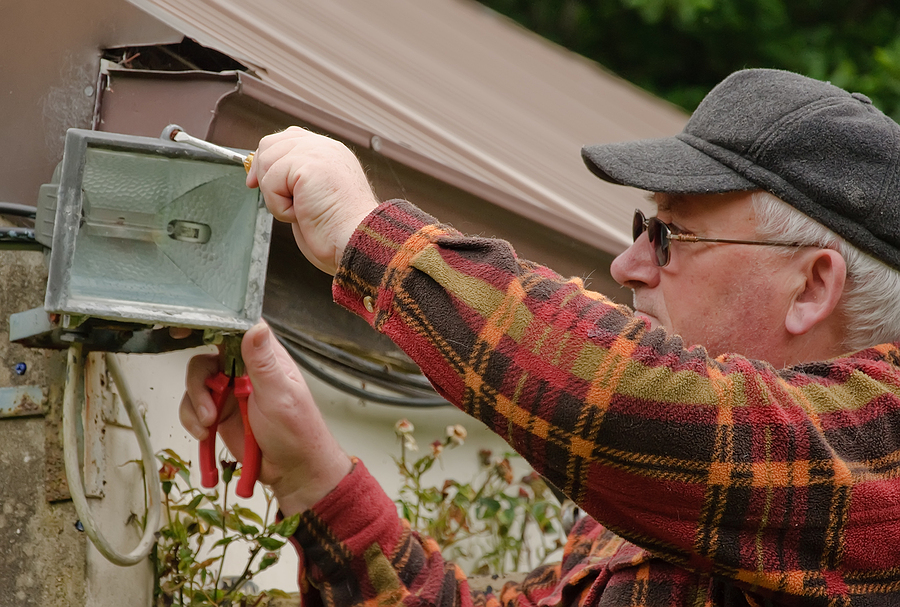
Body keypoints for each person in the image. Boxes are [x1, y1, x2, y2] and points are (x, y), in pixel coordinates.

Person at [180, 68, 900, 606]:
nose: (629, 263)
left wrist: (373, 240)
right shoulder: (655, 508)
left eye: (669, 234)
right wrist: (313, 475)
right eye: (639, 229)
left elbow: (640, 402)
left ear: (811, 286)